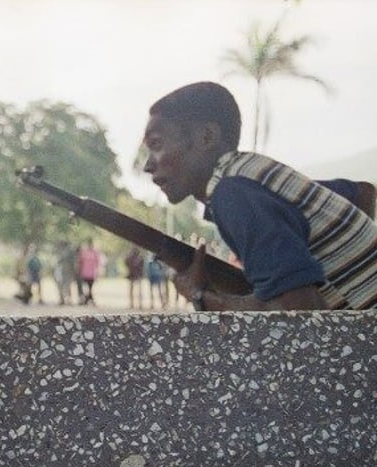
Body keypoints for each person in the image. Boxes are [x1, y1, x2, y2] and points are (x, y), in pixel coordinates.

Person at [142, 81, 377, 310]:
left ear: (206, 137)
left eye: (156, 144)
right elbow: (364, 193)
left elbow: (301, 316)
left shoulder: (232, 194)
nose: (147, 165)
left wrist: (200, 295)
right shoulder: (253, 174)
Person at [76, 239, 102, 306]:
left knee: (90, 287)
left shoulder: (95, 252)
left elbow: (98, 263)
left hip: (92, 273)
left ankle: (87, 299)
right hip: (85, 273)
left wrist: (98, 272)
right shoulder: (84, 252)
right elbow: (80, 262)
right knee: (86, 287)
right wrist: (79, 270)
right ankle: (89, 299)